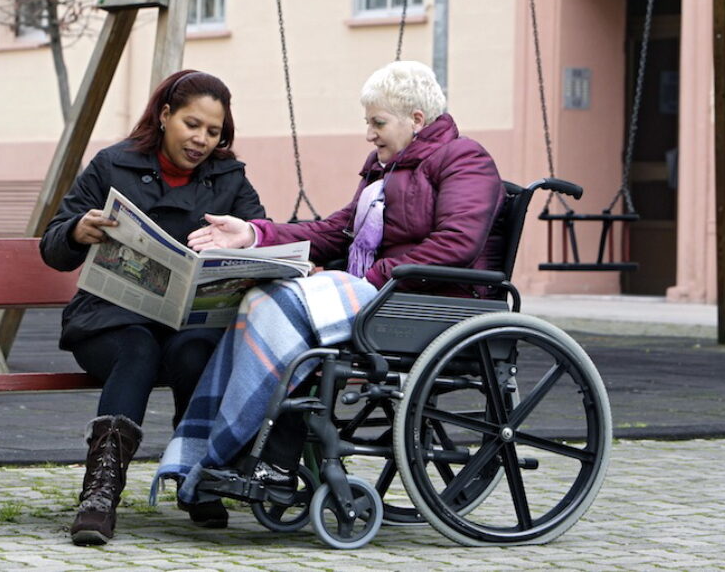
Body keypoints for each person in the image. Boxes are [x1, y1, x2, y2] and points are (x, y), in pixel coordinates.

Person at [155, 60, 506, 506]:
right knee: (262, 299)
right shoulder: (386, 169)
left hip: (430, 302)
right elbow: (337, 231)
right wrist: (254, 234)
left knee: (281, 307)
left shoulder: (465, 158)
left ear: (416, 120)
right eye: (369, 123)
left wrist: (375, 277)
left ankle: (249, 456)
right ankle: (254, 459)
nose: (370, 134)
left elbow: (457, 243)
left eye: (378, 123)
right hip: (384, 296)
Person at [40, 69, 266, 546]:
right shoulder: (112, 165)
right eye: (192, 124)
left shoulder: (229, 178)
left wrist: (244, 242)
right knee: (138, 350)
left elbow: (262, 237)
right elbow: (53, 246)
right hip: (110, 320)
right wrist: (78, 231)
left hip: (188, 323)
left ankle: (196, 476)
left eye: (213, 131)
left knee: (196, 351)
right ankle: (100, 494)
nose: (201, 140)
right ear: (165, 116)